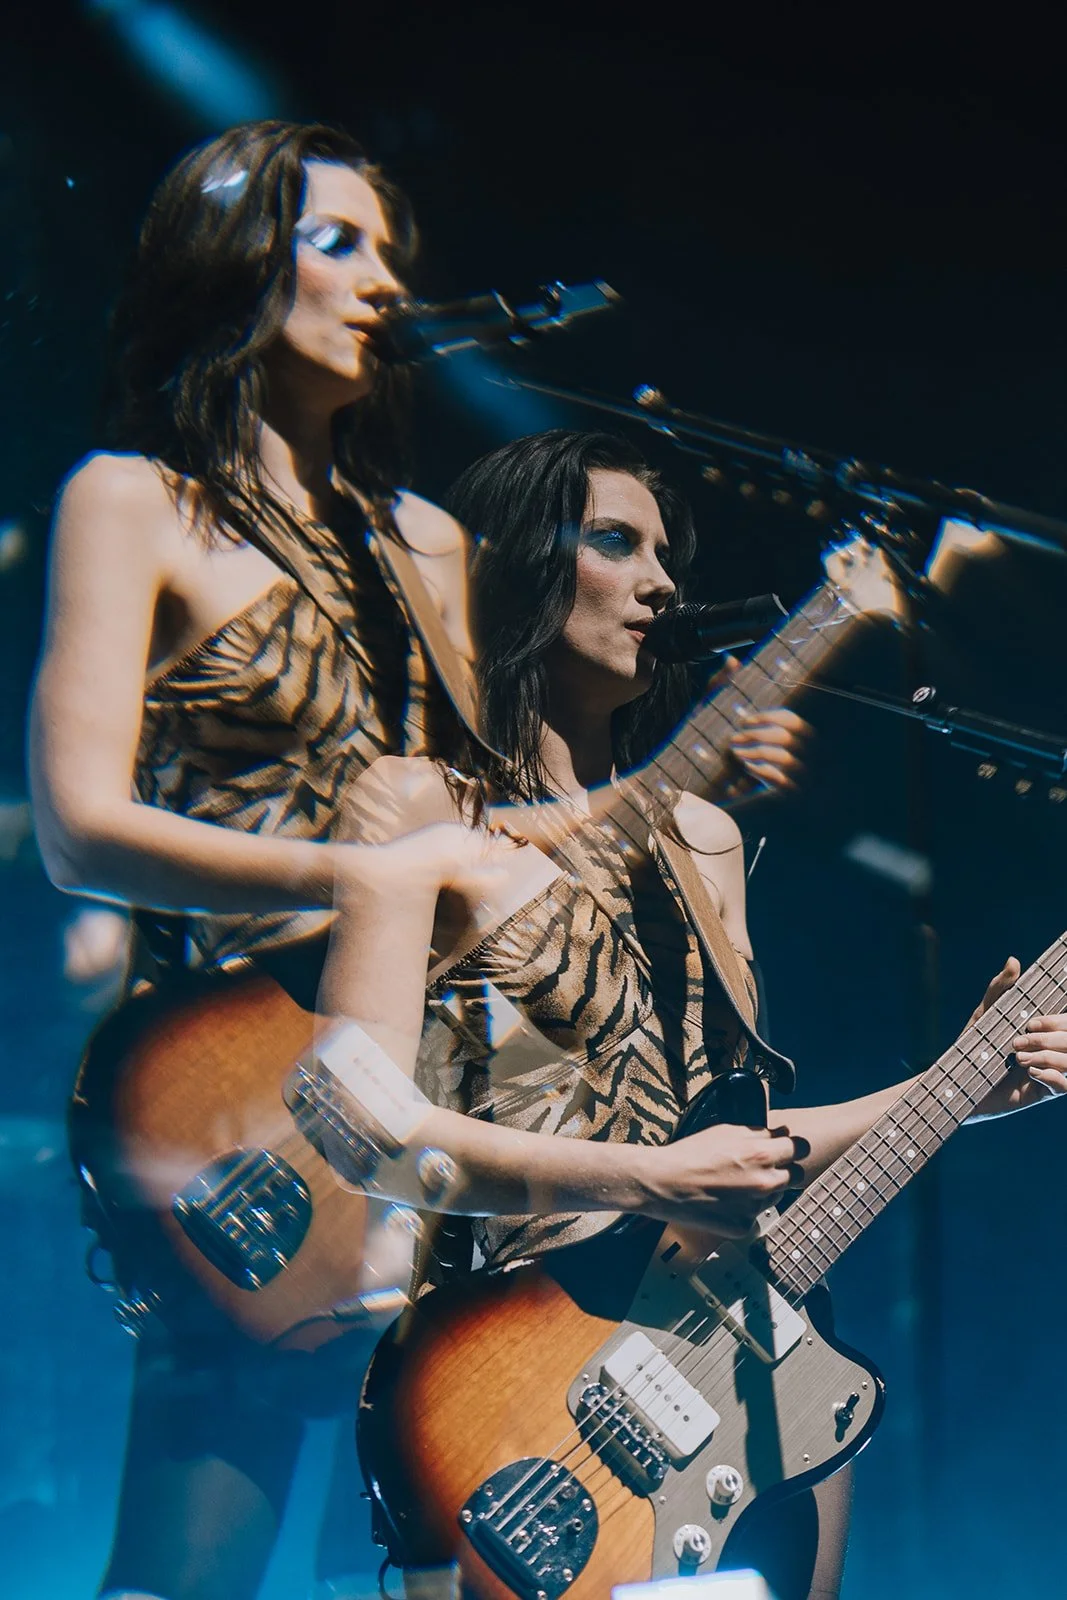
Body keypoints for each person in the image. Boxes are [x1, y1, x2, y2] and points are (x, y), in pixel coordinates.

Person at [28, 128, 801, 1600]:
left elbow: (484, 809)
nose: (383, 280)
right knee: (192, 1554)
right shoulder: (130, 501)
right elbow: (77, 829)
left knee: (409, 1547)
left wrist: (682, 762)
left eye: (391, 250)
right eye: (338, 244)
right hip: (232, 1089)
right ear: (234, 265)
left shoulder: (426, 543)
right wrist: (365, 878)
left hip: (429, 1079)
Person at [313, 429, 1067, 1600]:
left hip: (736, 1372)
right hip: (512, 1374)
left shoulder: (704, 846)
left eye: (666, 550)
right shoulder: (418, 806)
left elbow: (740, 1144)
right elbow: (355, 1129)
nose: (662, 582)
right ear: (515, 562)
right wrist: (641, 1181)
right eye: (617, 541)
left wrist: (963, 1087)